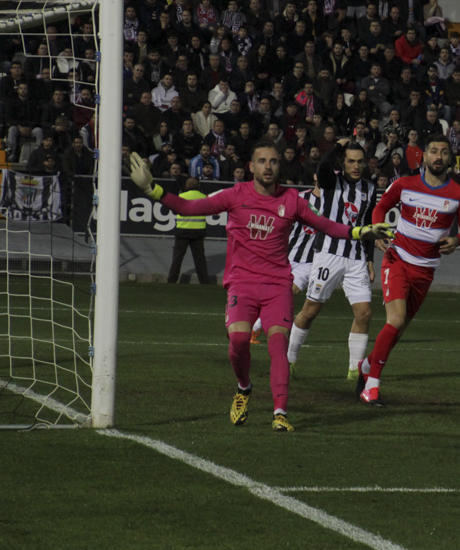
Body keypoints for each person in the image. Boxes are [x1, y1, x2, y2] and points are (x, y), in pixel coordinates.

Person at [126, 143, 391, 432]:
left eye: (274, 161)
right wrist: (152, 190)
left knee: (278, 344)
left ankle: (280, 412)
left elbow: (326, 225)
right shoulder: (235, 195)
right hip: (243, 282)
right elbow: (190, 207)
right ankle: (244, 387)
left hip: (278, 284)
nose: (268, 167)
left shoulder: (292, 200)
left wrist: (359, 231)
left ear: (280, 166)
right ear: (251, 166)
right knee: (239, 342)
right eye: (262, 161)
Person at [354, 134, 460, 405]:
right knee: (395, 320)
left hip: (426, 270)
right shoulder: (404, 184)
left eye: (444, 152)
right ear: (424, 155)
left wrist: (456, 240)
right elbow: (381, 207)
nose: (438, 157)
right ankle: (371, 386)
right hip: (397, 260)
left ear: (449, 158)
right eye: (433, 151)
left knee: (398, 328)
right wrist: (378, 231)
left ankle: (366, 365)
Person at [285, 141, 379, 379]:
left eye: (360, 161)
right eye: (350, 161)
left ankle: (354, 369)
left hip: (356, 258)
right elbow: (324, 163)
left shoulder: (370, 188)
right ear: (342, 162)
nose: (356, 166)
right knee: (310, 311)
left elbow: (368, 226)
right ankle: (289, 359)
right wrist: (338, 145)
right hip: (329, 255)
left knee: (364, 314)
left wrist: (369, 259)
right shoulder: (331, 180)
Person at [250, 181, 322, 345]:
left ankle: (255, 329)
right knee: (270, 292)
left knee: (289, 291)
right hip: (286, 255)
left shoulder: (332, 202)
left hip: (308, 262)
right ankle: (250, 321)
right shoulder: (300, 197)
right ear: (315, 177)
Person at [167, 177, 209, 284]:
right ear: (198, 186)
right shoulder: (204, 197)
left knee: (177, 257)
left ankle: (171, 280)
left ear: (187, 186)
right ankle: (204, 282)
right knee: (200, 259)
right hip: (198, 231)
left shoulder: (181, 197)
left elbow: (174, 210)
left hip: (182, 231)